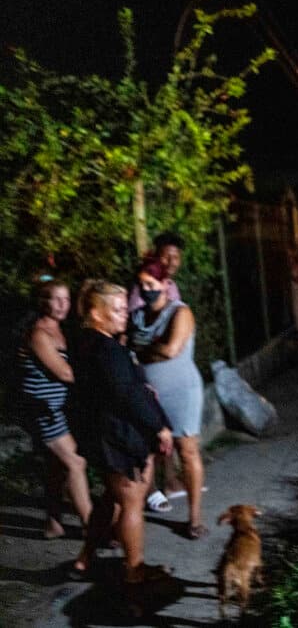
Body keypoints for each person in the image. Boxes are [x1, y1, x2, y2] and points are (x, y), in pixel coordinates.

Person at [70, 279, 174, 583]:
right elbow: (128, 394)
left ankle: (85, 558)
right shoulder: (108, 350)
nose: (124, 314)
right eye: (116, 310)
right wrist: (159, 427)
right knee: (131, 502)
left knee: (111, 498)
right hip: (118, 436)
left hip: (99, 433)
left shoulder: (85, 342)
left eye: (123, 308)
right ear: (96, 313)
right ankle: (134, 575)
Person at [128, 257, 208, 540]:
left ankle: (194, 519)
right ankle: (132, 514)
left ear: (165, 284)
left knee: (186, 450)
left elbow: (171, 350)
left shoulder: (180, 312)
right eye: (141, 285)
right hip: (149, 395)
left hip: (181, 391)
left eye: (151, 284)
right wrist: (145, 349)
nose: (146, 289)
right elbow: (129, 348)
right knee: (145, 453)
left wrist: (142, 351)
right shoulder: (138, 316)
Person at [14, 277, 92, 539]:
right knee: (76, 462)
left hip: (58, 408)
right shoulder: (39, 334)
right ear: (42, 301)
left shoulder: (61, 329)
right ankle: (92, 528)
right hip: (43, 409)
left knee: (58, 467)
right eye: (56, 299)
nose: (62, 305)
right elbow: (65, 373)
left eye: (66, 299)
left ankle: (53, 523)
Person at [128, 232, 186, 509]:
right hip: (145, 372)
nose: (172, 261)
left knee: (167, 432)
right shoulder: (143, 287)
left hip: (168, 373)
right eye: (167, 255)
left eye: (176, 256)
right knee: (151, 433)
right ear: (156, 254)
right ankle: (150, 492)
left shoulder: (172, 287)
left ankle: (171, 483)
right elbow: (135, 334)